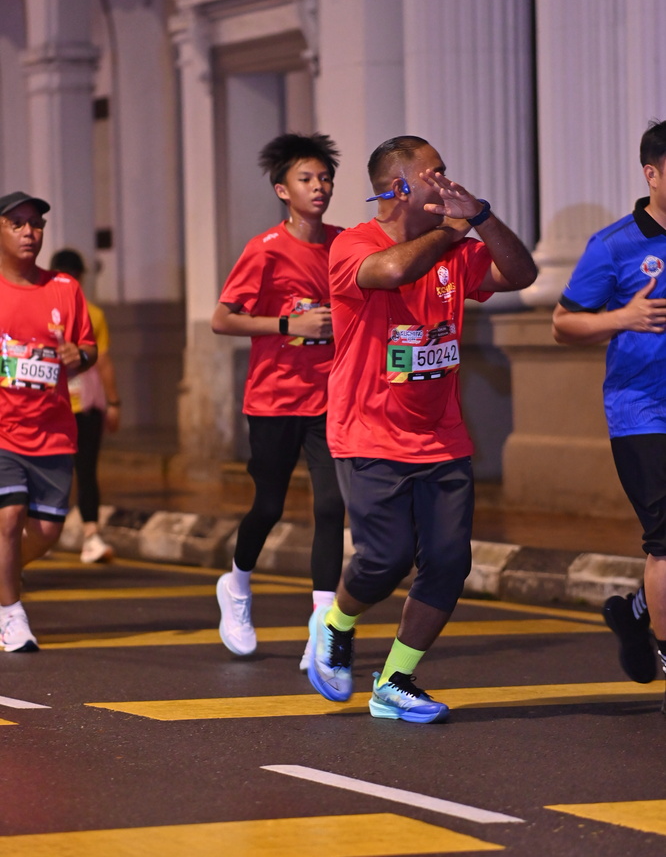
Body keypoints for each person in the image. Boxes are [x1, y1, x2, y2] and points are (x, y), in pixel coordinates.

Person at [306, 135, 537, 722]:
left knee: (449, 562)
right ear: (401, 187)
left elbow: (521, 273)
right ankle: (335, 623)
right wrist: (453, 231)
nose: (447, 182)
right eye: (435, 173)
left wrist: (481, 217)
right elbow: (390, 270)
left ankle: (395, 680)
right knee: (384, 560)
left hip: (442, 435)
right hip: (368, 431)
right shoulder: (354, 244)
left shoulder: (454, 248)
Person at [211, 133, 346, 668]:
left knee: (332, 506)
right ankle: (237, 584)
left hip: (330, 398)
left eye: (325, 178)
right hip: (274, 399)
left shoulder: (345, 244)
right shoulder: (264, 248)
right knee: (268, 505)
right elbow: (223, 319)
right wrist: (290, 324)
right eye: (306, 179)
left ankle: (322, 629)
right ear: (282, 190)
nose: (319, 187)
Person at [552, 119, 666, 703]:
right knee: (665, 541)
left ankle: (635, 612)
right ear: (652, 174)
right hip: (643, 411)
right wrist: (622, 318)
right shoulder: (614, 245)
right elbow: (563, 324)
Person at [0, 192, 96, 651]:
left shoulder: (64, 287)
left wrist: (80, 357)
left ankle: (4, 578)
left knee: (46, 532)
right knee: (8, 517)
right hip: (3, 429)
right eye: (17, 223)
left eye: (36, 224)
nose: (29, 232)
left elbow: (88, 349)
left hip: (54, 429)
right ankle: (11, 615)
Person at [50, 249, 121, 564]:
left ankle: (84, 535)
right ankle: (85, 535)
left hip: (69, 405)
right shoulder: (91, 313)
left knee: (61, 471)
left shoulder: (89, 313)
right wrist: (114, 402)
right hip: (65, 406)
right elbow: (103, 361)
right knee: (83, 471)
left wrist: (113, 402)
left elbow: (100, 359)